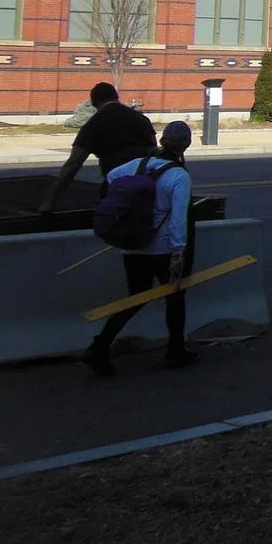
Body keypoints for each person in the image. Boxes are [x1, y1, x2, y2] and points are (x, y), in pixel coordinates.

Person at [83, 120, 197, 376]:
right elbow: (179, 218)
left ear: (162, 141)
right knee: (175, 299)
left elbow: (112, 176)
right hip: (163, 249)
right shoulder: (179, 175)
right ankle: (176, 351)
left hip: (133, 246)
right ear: (186, 145)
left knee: (135, 299)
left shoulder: (137, 165)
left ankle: (100, 345)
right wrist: (179, 252)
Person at [39, 82, 157, 215]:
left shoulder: (94, 124)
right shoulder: (142, 119)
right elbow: (154, 149)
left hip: (117, 188)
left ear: (95, 103)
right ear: (116, 97)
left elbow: (73, 165)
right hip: (148, 185)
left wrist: (49, 202)